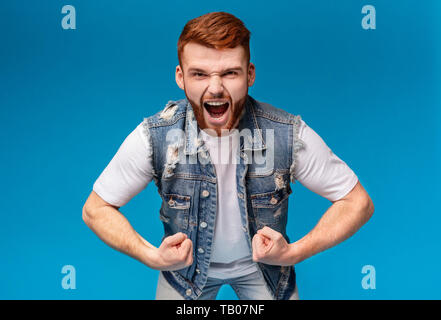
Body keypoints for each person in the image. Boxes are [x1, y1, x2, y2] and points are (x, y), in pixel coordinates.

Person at [82, 12, 374, 300]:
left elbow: (357, 203)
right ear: (180, 77)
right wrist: (152, 257)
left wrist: (293, 252)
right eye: (199, 74)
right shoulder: (156, 136)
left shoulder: (286, 134)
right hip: (185, 274)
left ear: (250, 75)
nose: (215, 88)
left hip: (264, 270)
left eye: (230, 73)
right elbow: (95, 209)